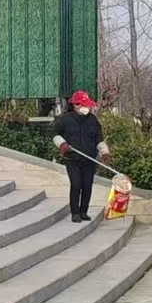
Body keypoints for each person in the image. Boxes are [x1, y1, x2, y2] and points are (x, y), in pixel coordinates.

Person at [50, 90, 111, 223]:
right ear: (76, 105)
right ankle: (75, 212)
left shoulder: (92, 120)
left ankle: (84, 211)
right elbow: (55, 134)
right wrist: (62, 144)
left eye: (88, 105)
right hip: (72, 159)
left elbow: (98, 139)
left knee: (87, 186)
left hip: (89, 159)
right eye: (84, 105)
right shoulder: (65, 119)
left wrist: (105, 152)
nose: (87, 107)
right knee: (76, 185)